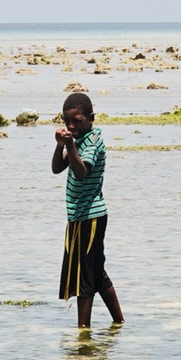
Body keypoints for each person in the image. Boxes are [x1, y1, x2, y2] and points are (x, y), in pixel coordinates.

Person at [53, 91, 124, 328]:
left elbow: (82, 171)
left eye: (77, 121)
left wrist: (70, 144)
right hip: (78, 216)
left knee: (85, 276)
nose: (71, 126)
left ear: (91, 118)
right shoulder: (79, 140)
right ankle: (119, 322)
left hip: (91, 216)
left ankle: (83, 331)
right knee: (95, 272)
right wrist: (60, 145)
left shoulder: (92, 141)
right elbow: (57, 168)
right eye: (67, 122)